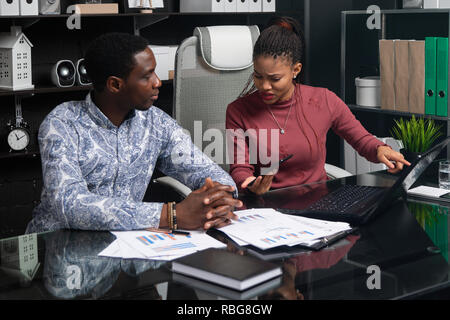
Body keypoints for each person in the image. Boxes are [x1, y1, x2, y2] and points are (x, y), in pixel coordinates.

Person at [27, 32, 242, 233]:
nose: (158, 82)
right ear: (115, 85)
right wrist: (171, 215)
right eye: (146, 76)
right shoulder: (62, 123)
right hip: (57, 249)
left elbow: (206, 171)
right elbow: (69, 205)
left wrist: (221, 197)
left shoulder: (156, 122)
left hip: (126, 248)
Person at [226, 17, 410, 195]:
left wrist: (380, 149)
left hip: (319, 203)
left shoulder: (324, 100)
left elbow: (361, 140)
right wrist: (251, 185)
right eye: (258, 76)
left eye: (275, 79)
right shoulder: (238, 111)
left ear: (295, 70)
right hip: (269, 208)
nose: (265, 86)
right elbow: (240, 169)